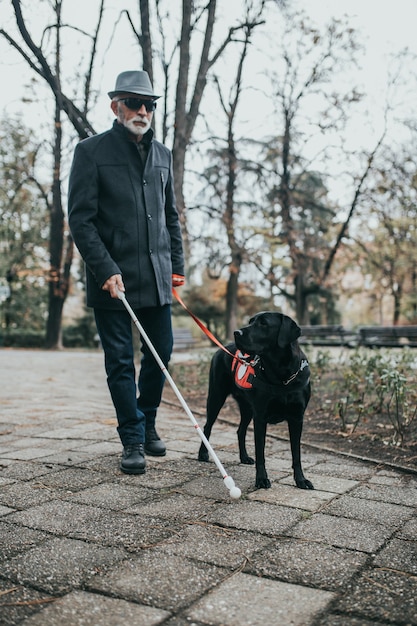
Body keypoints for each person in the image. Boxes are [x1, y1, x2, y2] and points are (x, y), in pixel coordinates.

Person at [68, 70, 185, 475]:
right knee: (120, 362)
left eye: (149, 104)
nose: (142, 111)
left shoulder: (163, 155)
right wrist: (105, 269)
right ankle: (132, 439)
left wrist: (177, 268)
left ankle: (147, 419)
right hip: (111, 280)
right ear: (115, 105)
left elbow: (170, 217)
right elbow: (81, 220)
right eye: (134, 103)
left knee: (161, 353)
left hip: (156, 276)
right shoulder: (90, 152)